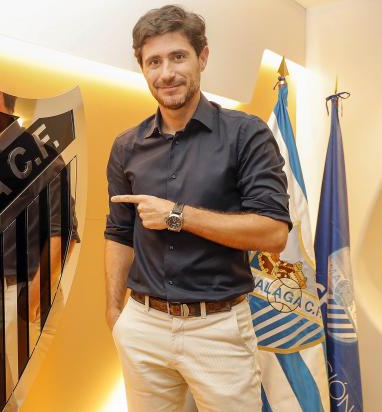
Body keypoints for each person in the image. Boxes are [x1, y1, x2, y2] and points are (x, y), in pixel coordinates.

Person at [104, 5, 292, 412]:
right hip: (142, 325)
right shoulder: (126, 147)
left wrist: (178, 215)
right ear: (142, 67)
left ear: (202, 57)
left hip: (218, 330)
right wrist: (115, 311)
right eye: (153, 61)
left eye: (178, 56)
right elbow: (118, 233)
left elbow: (274, 233)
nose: (166, 72)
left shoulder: (247, 135)